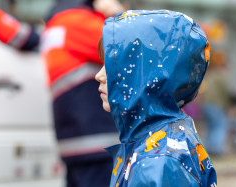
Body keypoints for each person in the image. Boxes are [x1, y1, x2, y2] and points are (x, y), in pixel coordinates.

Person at [95, 10, 217, 187]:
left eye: (113, 66)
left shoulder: (157, 163)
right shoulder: (161, 142)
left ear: (146, 75)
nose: (99, 75)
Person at [40, 0, 124, 186]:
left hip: (74, 139)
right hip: (98, 139)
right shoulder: (79, 22)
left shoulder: (55, 26)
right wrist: (117, 13)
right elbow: (131, 45)